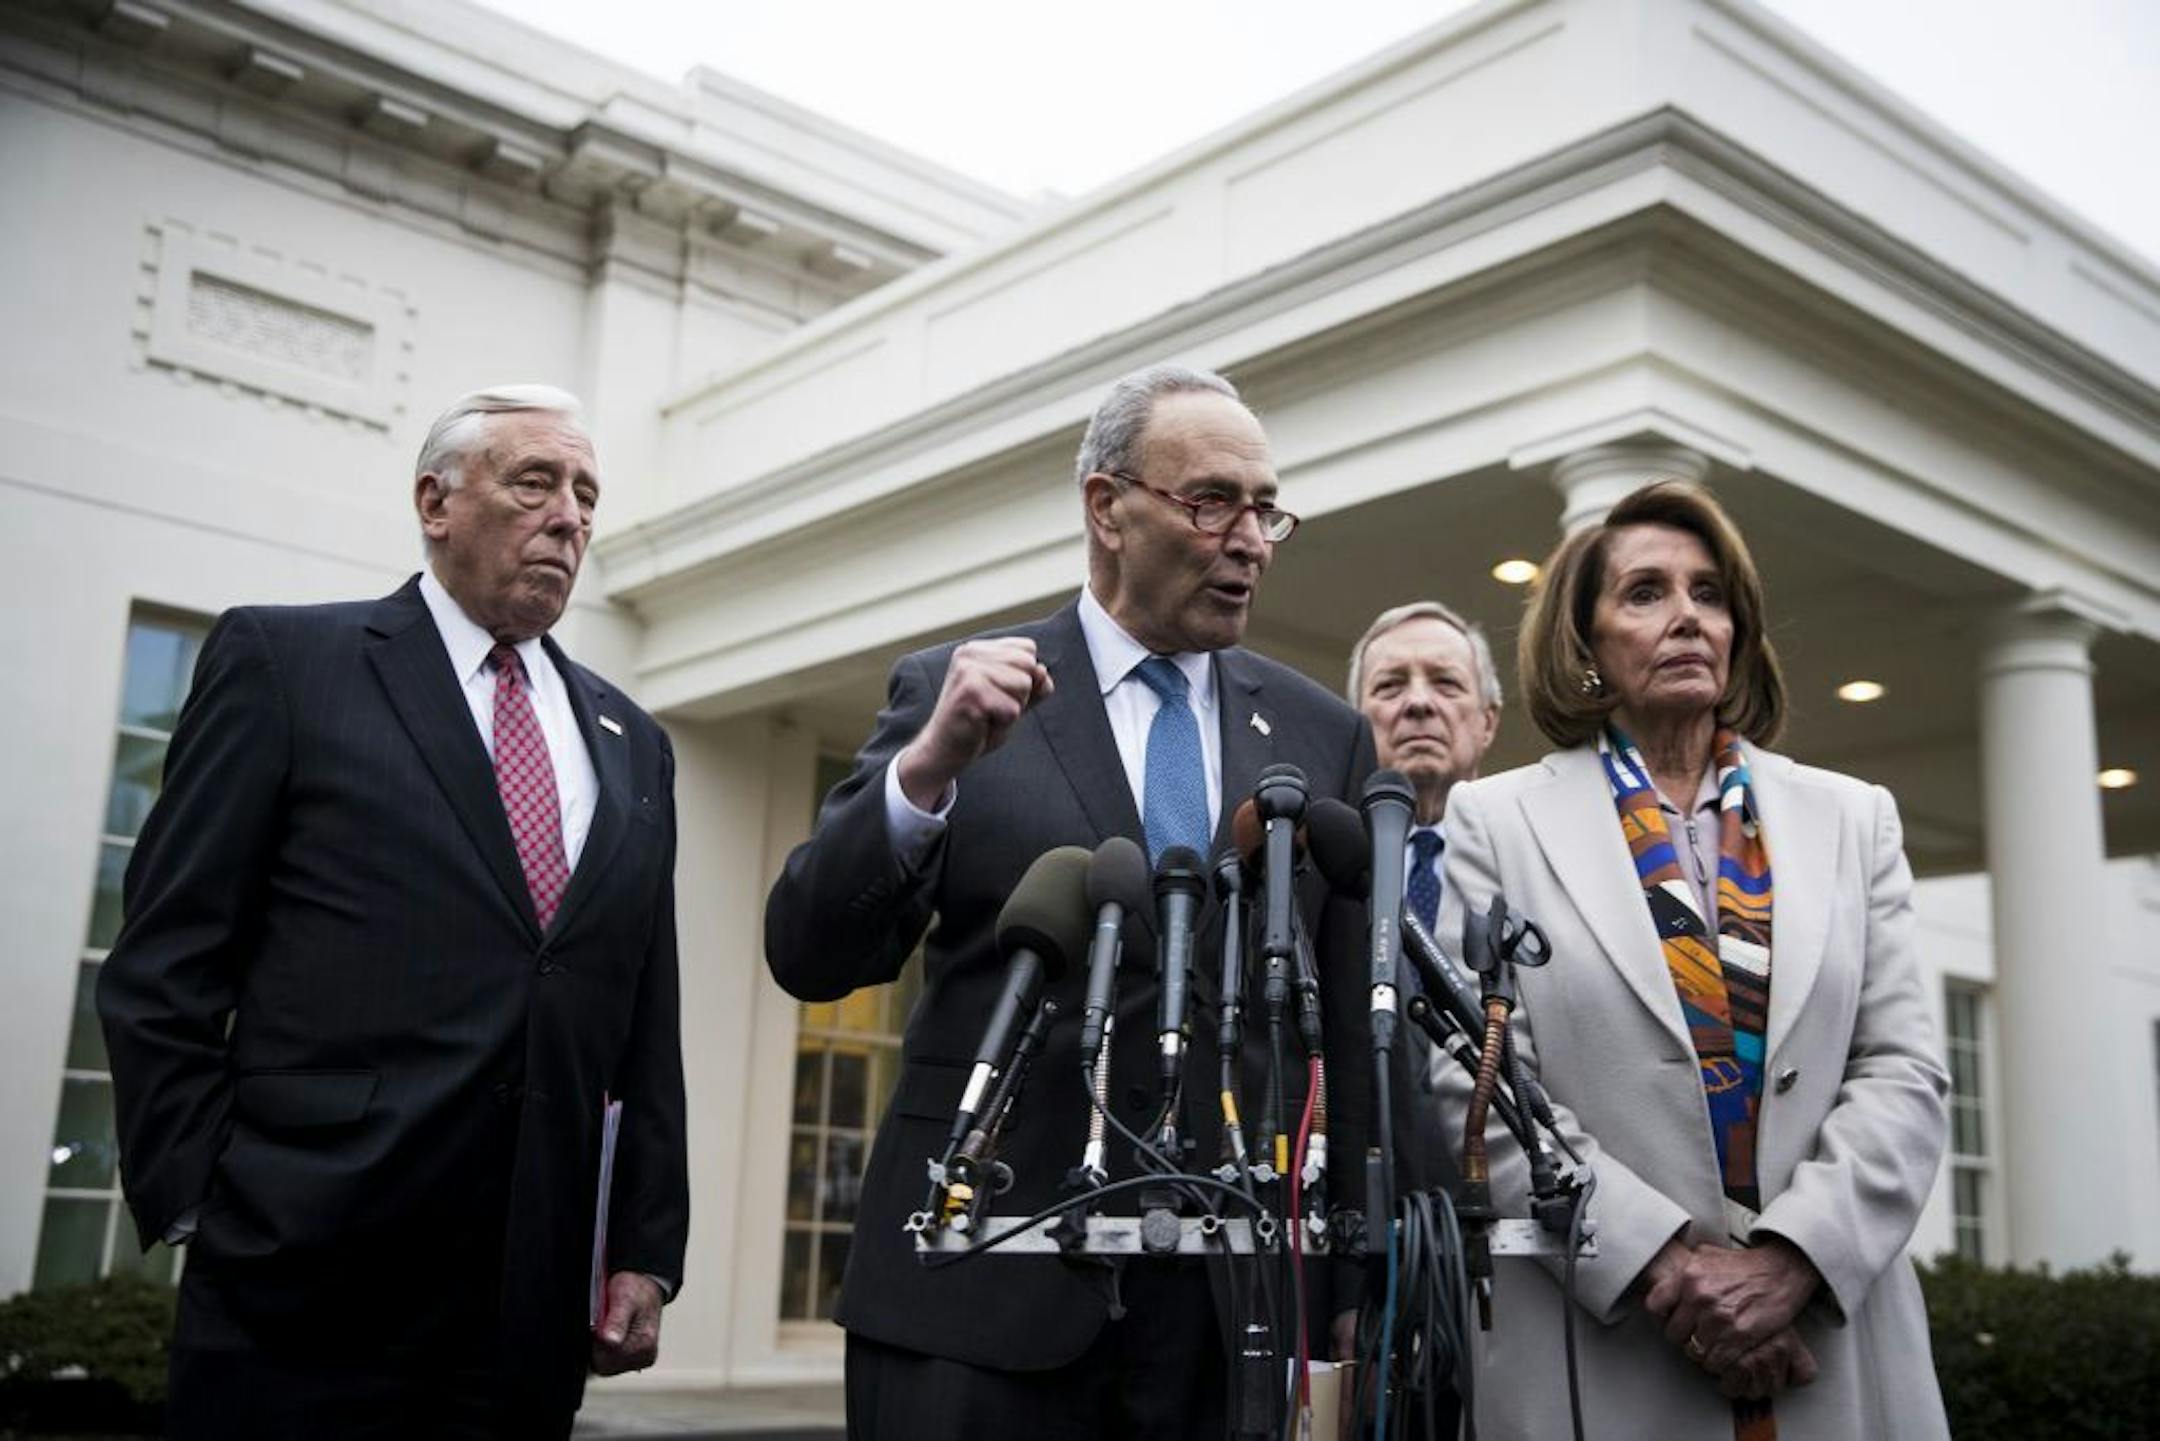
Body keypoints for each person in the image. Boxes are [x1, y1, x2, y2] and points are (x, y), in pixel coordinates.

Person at [765, 364, 1378, 1439]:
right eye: (1212, 500)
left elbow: (1347, 1042)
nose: (1252, 538)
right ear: (1108, 506)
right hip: (980, 1292)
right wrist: (926, 775)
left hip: (1225, 1309)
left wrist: (1350, 1280)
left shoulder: (1322, 733)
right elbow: (813, 952)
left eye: (1266, 506)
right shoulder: (955, 693)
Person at [98, 385, 689, 1440]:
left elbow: (645, 1021)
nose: (570, 518)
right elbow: (163, 966)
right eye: (537, 483)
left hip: (528, 1317)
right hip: (299, 1297)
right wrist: (212, 1202)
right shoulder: (287, 666)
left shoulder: (632, 741)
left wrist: (644, 1242)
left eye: (588, 496)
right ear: (436, 500)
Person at [1428, 479, 1951, 1439]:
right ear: (1585, 644)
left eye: (1709, 594)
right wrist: (1671, 1271)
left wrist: (1788, 1265)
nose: (1687, 618)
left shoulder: (1852, 817)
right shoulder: (1495, 822)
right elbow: (1481, 1085)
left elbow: (1904, 1069)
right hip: (1610, 1343)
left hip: (1828, 1350)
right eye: (1645, 593)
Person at [1338, 601, 1502, 1371]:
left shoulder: (1539, 867)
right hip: (1361, 1270)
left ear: (1488, 720)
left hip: (1513, 1258)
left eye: (1445, 681)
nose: (1417, 701)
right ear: (1355, 719)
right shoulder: (1317, 878)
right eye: (1390, 684)